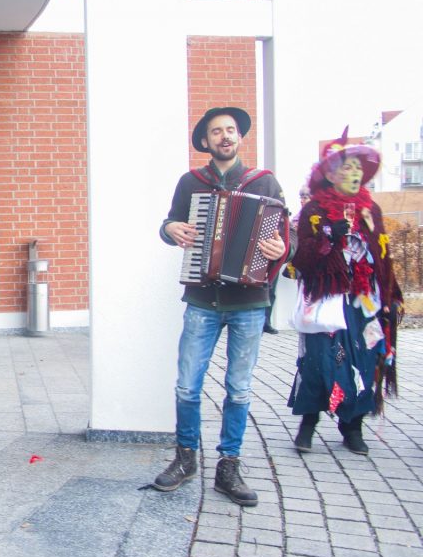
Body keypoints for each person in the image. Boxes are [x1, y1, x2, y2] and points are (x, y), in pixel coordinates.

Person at [152, 106, 288, 507]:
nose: (224, 136)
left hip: (249, 301)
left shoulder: (264, 182)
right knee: (187, 384)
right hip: (202, 300)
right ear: (206, 142)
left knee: (239, 389)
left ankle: (229, 466)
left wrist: (284, 248)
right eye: (216, 132)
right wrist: (169, 229)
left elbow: (287, 234)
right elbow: (171, 224)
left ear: (238, 137)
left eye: (230, 130)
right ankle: (185, 459)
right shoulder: (190, 183)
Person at [289, 131, 402, 456]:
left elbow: (383, 258)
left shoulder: (372, 210)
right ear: (330, 174)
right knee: (319, 362)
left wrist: (390, 296)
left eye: (357, 168)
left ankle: (353, 427)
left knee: (365, 361)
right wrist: (327, 237)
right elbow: (302, 260)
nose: (353, 173)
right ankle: (308, 423)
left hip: (363, 303)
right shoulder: (314, 210)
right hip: (327, 300)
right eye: (345, 168)